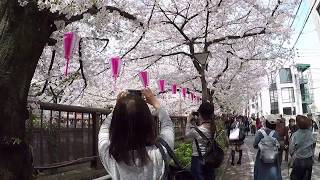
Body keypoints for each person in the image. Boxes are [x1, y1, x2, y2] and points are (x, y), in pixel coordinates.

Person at [98, 89, 174, 180]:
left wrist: (118, 107)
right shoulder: (161, 152)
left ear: (116, 123)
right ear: (148, 122)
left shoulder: (110, 154)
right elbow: (168, 125)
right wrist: (156, 104)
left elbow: (104, 128)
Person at [185, 102, 216, 180]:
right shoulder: (213, 127)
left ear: (200, 114)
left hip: (197, 160)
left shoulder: (197, 130)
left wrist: (188, 121)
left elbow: (186, 136)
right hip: (210, 159)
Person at [253, 115, 282, 180]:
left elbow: (255, 145)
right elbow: (279, 146)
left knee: (261, 175)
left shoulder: (260, 133)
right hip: (273, 159)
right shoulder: (276, 134)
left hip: (261, 158)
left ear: (266, 123)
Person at [290, 115, 316, 180]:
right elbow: (313, 146)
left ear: (298, 124)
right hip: (309, 160)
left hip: (299, 160)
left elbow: (291, 149)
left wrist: (292, 156)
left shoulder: (295, 135)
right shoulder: (310, 134)